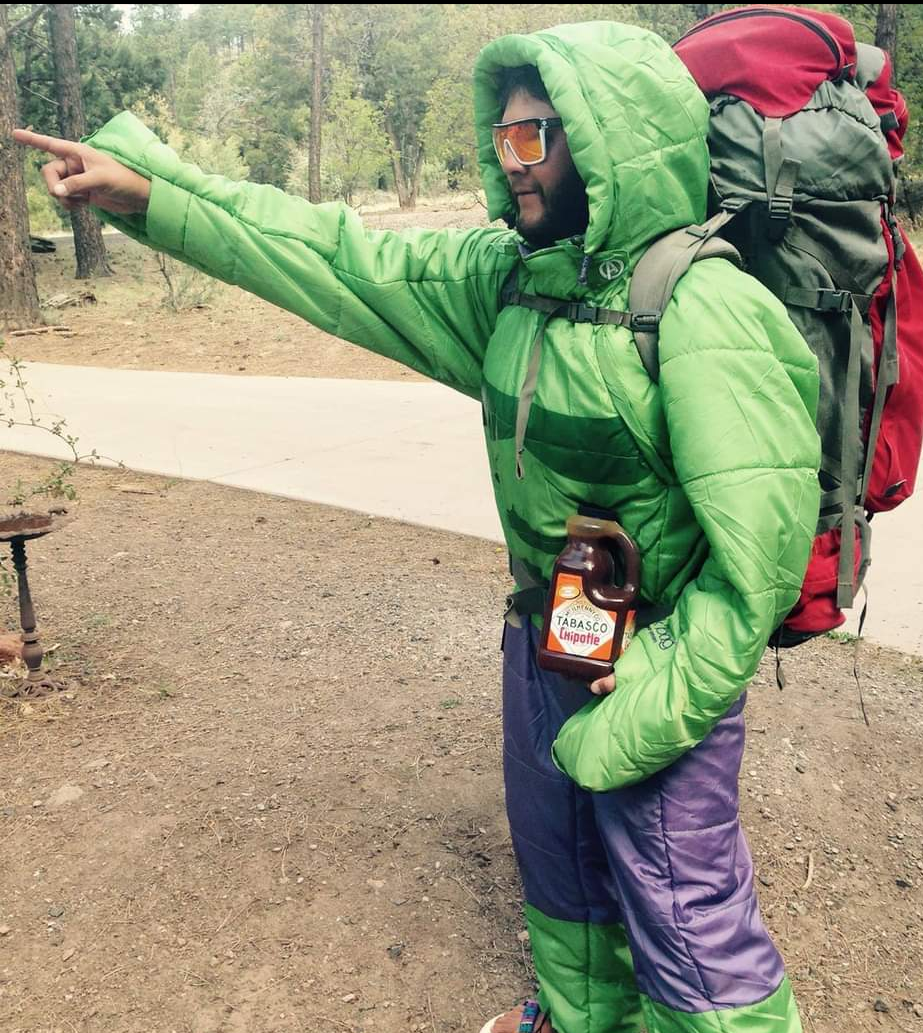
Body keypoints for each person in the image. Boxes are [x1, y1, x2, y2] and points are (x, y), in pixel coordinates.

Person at [16, 20, 821, 1033]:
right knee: (565, 886)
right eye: (503, 139)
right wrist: (156, 191)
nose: (511, 164)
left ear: (609, 145)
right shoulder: (513, 284)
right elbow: (338, 256)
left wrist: (664, 684)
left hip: (656, 663)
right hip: (552, 638)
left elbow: (761, 558)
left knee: (688, 919)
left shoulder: (705, 308)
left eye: (535, 140)